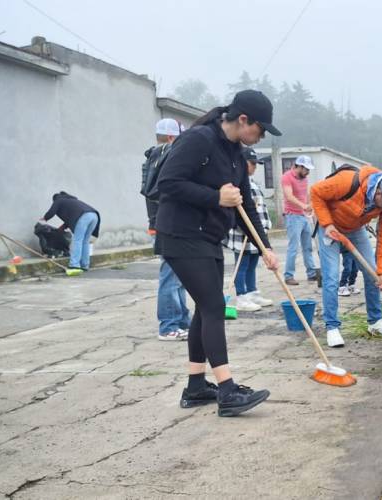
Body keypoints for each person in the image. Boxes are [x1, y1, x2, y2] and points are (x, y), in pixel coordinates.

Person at [155, 89, 280, 417]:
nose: (261, 136)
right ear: (243, 119)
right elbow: (167, 183)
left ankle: (196, 386)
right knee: (214, 306)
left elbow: (245, 206)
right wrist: (214, 197)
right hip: (180, 234)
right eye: (260, 129)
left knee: (204, 308)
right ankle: (226, 390)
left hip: (208, 238)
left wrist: (265, 247)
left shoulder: (236, 153)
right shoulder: (199, 140)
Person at [311, 165, 382, 348]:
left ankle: (375, 321)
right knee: (331, 277)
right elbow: (315, 192)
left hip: (355, 229)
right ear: (378, 193)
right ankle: (332, 327)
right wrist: (327, 223)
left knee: (373, 274)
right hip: (330, 228)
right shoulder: (347, 181)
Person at [141, 119, 191, 341]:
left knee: (178, 276)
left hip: (160, 224)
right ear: (172, 138)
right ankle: (168, 326)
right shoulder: (167, 157)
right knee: (171, 277)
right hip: (169, 226)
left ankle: (181, 320)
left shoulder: (152, 158)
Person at [223, 147, 273, 312]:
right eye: (252, 163)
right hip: (242, 234)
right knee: (241, 265)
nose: (254, 167)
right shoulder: (235, 183)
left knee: (252, 264)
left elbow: (258, 208)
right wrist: (246, 229)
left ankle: (252, 292)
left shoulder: (253, 184)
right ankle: (242, 297)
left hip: (255, 233)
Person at [40, 192, 100, 276]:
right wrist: (64, 226)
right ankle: (85, 265)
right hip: (94, 216)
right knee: (85, 241)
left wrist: (45, 217)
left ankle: (74, 265)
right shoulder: (71, 200)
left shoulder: (59, 200)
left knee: (77, 240)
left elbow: (52, 211)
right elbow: (73, 216)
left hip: (84, 217)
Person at [281, 155, 318, 285]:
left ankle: (312, 273)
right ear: (299, 166)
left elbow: (306, 195)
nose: (308, 172)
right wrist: (304, 206)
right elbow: (289, 196)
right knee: (293, 247)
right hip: (292, 216)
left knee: (308, 247)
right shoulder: (287, 177)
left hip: (304, 216)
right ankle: (288, 275)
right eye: (306, 169)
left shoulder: (304, 178)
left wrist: (310, 207)